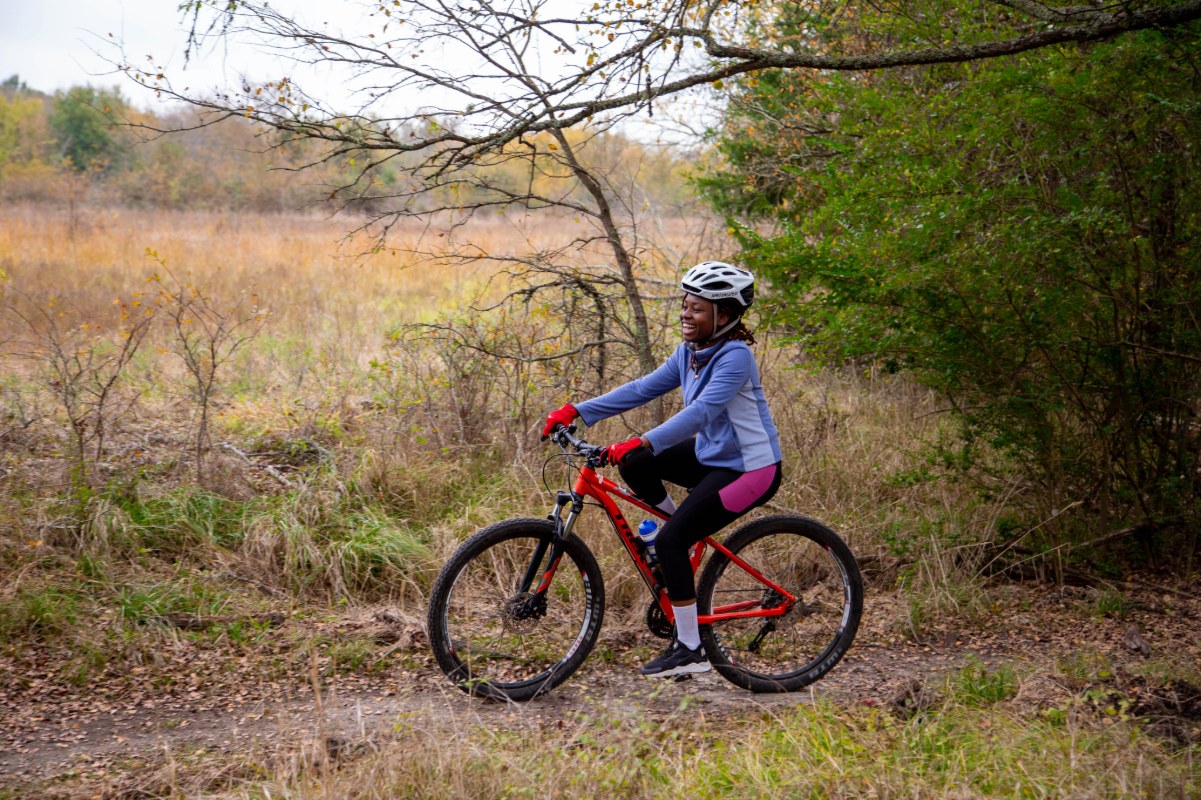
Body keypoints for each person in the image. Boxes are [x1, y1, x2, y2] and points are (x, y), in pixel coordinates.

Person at [540, 261, 783, 678]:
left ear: (723, 316)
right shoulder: (689, 353)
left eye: (697, 309)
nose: (686, 314)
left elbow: (703, 413)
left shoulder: (735, 357)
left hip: (751, 469)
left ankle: (691, 650)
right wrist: (577, 410)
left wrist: (644, 438)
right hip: (711, 458)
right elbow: (641, 388)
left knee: (668, 540)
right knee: (637, 465)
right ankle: (682, 535)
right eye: (685, 306)